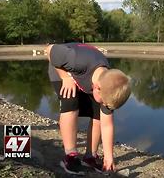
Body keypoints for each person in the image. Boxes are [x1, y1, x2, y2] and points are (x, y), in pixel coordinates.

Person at [45, 43, 131, 175]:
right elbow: (50, 50)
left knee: (97, 112)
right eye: (105, 102)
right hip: (61, 69)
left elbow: (107, 125)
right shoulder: (76, 60)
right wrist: (65, 77)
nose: (105, 106)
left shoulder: (108, 84)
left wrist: (109, 157)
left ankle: (90, 155)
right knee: (70, 100)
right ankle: (70, 156)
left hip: (83, 76)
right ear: (97, 87)